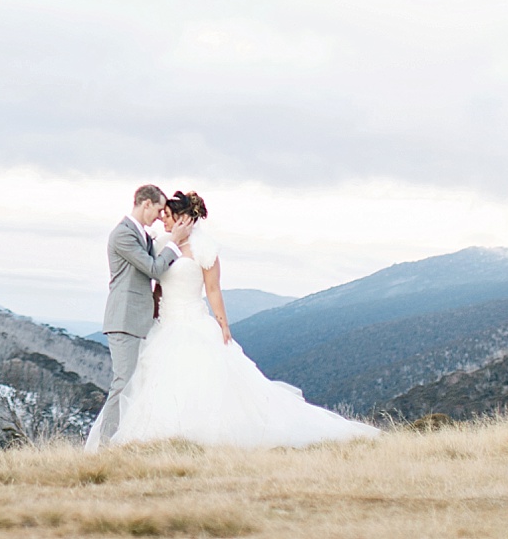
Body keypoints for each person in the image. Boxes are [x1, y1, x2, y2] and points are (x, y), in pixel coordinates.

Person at [85, 190, 379, 451]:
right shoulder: (162, 243)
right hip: (163, 326)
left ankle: (194, 439)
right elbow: (157, 283)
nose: (163, 221)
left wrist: (223, 323)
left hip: (193, 322)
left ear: (184, 219)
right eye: (161, 216)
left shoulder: (204, 251)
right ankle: (146, 442)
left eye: (169, 216)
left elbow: (213, 290)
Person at [86, 184, 194, 450]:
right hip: (124, 320)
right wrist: (176, 243)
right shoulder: (122, 235)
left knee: (137, 384)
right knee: (123, 383)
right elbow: (154, 269)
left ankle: (126, 440)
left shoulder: (141, 235)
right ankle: (103, 444)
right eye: (158, 209)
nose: (160, 216)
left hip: (140, 321)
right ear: (145, 204)